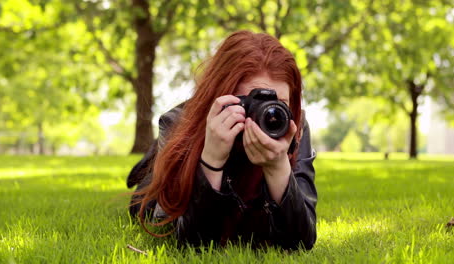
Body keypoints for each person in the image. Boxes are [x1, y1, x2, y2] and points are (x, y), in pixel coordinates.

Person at [127, 30, 317, 250]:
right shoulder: (179, 123)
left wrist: (278, 167)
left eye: (279, 103)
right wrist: (212, 160)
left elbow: (302, 242)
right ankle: (152, 158)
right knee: (143, 197)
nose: (268, 115)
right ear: (220, 96)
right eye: (252, 102)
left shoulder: (293, 126)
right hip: (187, 144)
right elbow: (194, 245)